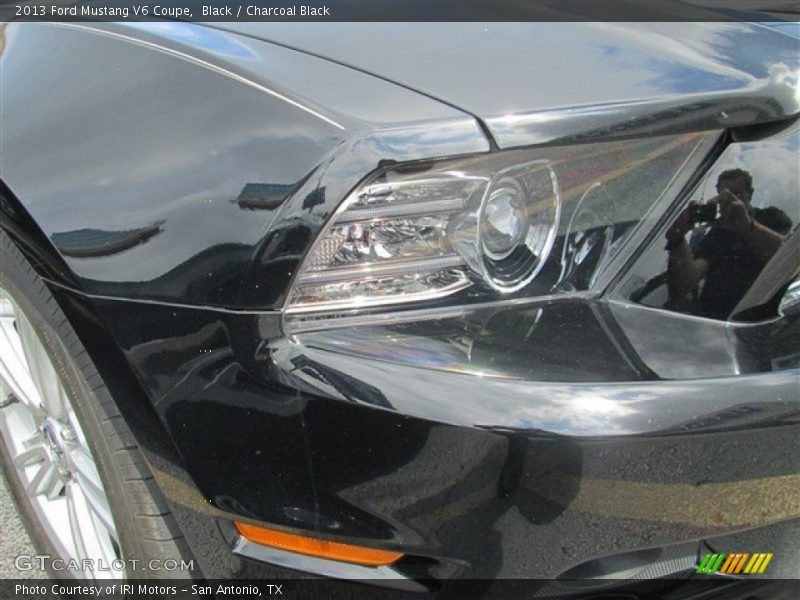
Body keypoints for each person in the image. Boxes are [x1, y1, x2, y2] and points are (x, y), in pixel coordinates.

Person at [665, 169, 791, 320]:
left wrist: (747, 226)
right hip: (712, 320)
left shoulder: (771, 218)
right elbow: (684, 285)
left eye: (737, 193)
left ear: (750, 194)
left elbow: (790, 256)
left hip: (762, 319)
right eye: (723, 195)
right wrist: (677, 238)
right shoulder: (716, 233)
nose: (730, 200)